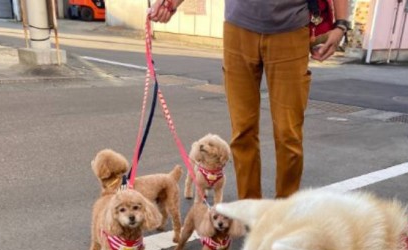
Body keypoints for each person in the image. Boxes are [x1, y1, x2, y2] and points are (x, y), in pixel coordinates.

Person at [149, 0, 350, 200]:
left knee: (289, 134)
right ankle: (249, 208)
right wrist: (170, 3)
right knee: (242, 133)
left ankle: (285, 213)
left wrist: (341, 24)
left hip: (291, 30)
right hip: (238, 29)